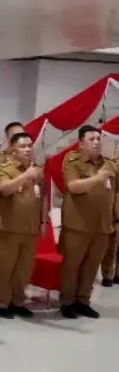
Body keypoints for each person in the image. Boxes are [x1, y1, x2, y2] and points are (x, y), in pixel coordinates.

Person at [59, 125, 118, 319]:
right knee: (72, 265)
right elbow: (73, 186)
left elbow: (116, 193)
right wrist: (98, 178)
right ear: (81, 143)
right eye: (91, 139)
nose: (96, 142)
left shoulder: (110, 164)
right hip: (78, 225)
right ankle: (67, 302)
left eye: (99, 139)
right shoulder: (72, 160)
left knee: (92, 266)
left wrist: (116, 218)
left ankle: (83, 301)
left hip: (102, 225)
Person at [0, 132, 47, 319]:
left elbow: (43, 197)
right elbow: (5, 189)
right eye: (23, 146)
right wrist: (25, 176)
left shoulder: (38, 170)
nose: (28, 149)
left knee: (24, 270)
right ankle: (0, 303)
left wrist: (44, 222)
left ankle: (18, 302)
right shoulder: (4, 168)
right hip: (8, 228)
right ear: (13, 150)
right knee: (5, 268)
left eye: (30, 145)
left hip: (30, 229)